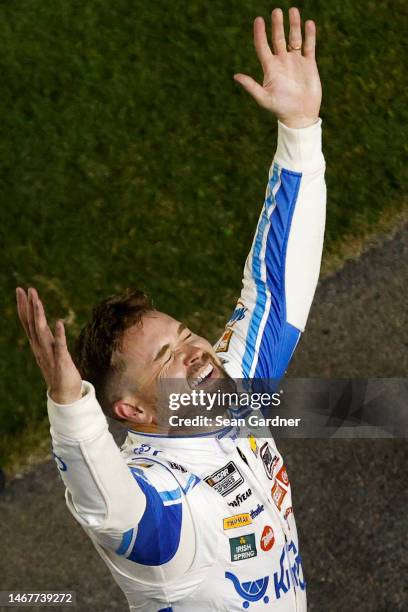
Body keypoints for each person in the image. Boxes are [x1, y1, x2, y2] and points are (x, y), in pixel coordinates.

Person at [16, 7, 326, 611]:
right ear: (133, 410)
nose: (195, 349)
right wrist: (71, 411)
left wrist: (299, 128)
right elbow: (111, 511)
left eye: (183, 333)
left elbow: (274, 287)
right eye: (165, 359)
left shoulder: (233, 390)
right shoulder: (163, 511)